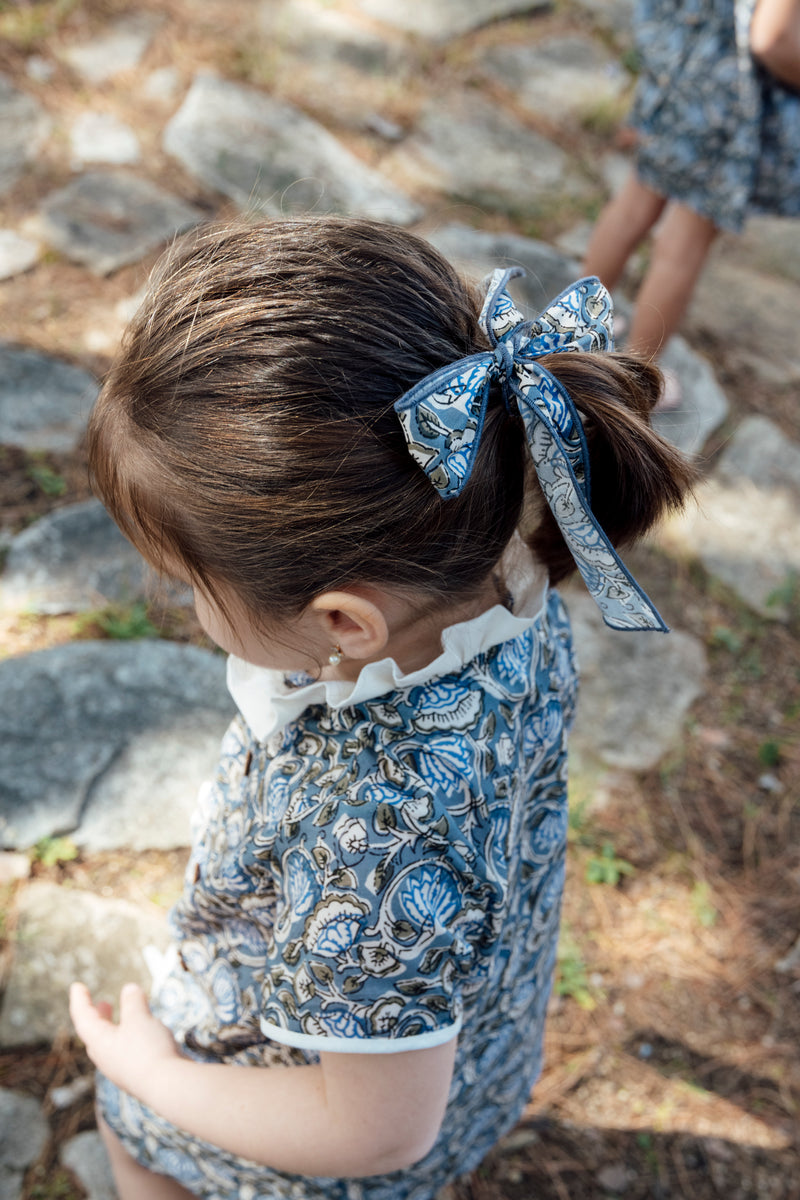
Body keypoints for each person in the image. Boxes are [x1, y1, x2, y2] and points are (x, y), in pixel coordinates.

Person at [69, 216, 695, 1200]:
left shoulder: (369, 826)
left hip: (325, 1130)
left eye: (184, 582)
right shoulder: (495, 574)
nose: (183, 608)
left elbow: (368, 1133)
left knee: (135, 1133)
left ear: (342, 622)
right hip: (472, 1048)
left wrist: (149, 1076)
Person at [582, 0, 800, 405]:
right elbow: (773, 38)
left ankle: (572, 325)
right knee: (684, 245)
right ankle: (631, 381)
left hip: (686, 63)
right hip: (732, 97)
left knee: (635, 203)